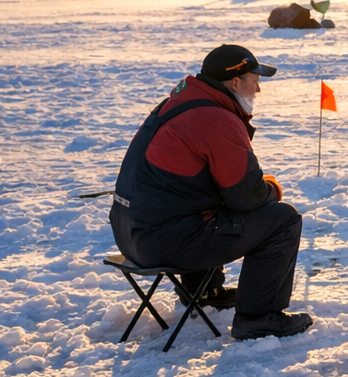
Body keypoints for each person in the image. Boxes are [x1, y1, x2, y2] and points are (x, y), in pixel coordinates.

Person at [109, 45, 311, 340]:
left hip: (132, 234)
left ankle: (203, 290)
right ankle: (259, 318)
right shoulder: (217, 119)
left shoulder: (180, 103)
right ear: (235, 83)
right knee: (283, 220)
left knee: (206, 196)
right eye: (255, 80)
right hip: (161, 242)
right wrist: (272, 188)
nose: (258, 89)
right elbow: (247, 197)